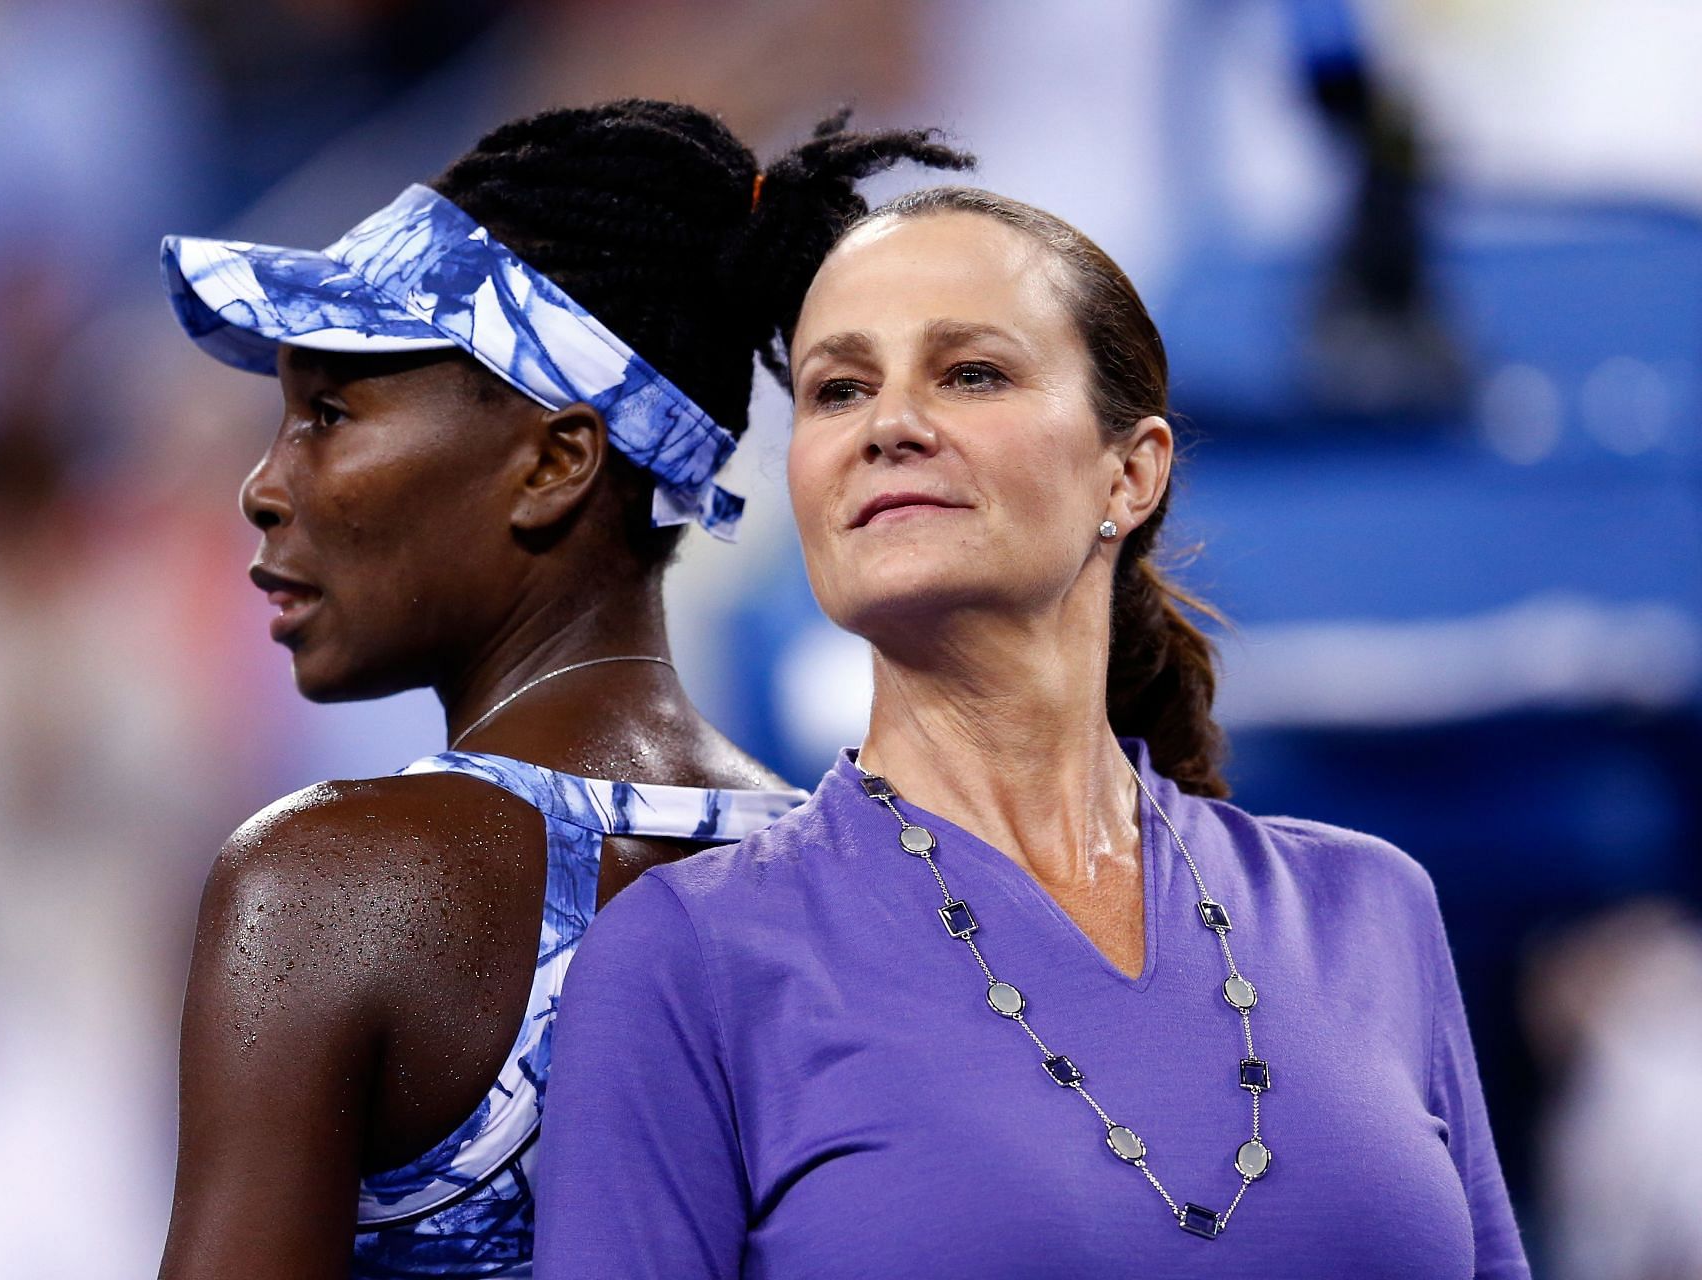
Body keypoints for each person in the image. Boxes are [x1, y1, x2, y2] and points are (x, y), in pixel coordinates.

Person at [536, 186, 1532, 1278]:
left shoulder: (1374, 907)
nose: (888, 424)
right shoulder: (684, 956)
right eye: (838, 390)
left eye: (971, 373)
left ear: (1132, 471)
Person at [149, 100, 968, 1279]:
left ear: (553, 464)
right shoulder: (881, 884)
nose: (264, 485)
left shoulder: (328, 879)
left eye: (329, 413)